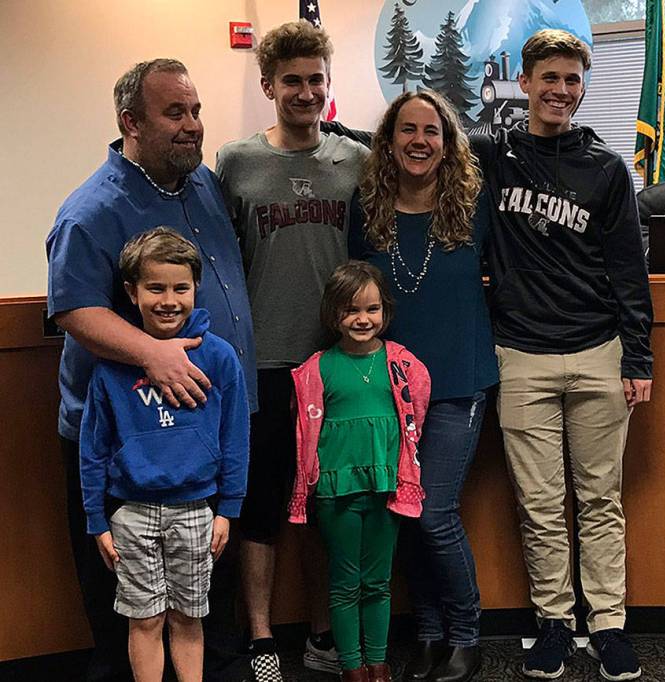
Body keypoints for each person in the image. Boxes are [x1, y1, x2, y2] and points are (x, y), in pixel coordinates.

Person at [46, 58, 257, 682]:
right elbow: (72, 308)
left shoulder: (202, 184)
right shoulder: (91, 210)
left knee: (204, 594)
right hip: (126, 443)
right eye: (175, 113)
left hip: (201, 434)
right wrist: (150, 352)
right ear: (130, 122)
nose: (192, 125)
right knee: (129, 610)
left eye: (195, 111)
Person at [472, 29, 654, 681]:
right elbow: (421, 137)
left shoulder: (606, 168)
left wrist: (639, 358)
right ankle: (554, 621)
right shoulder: (493, 156)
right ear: (524, 83)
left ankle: (607, 624)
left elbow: (629, 269)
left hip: (599, 350)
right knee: (540, 503)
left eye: (572, 79)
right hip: (521, 355)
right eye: (549, 77)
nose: (560, 90)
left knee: (601, 499)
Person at [215, 20, 367, 679]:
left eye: (316, 80)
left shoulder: (355, 160)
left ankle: (323, 633)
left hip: (336, 363)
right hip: (263, 364)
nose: (306, 93)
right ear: (268, 86)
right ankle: (261, 637)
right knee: (263, 506)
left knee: (329, 505)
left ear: (328, 84)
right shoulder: (236, 162)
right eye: (292, 82)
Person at [348, 89, 497, 682]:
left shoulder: (474, 203)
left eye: (431, 130)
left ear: (447, 141)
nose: (419, 140)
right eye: (407, 130)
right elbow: (353, 293)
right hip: (390, 388)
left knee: (434, 513)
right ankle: (430, 634)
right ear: (389, 141)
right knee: (404, 513)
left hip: (460, 382)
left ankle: (466, 635)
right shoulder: (367, 208)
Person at [79, 228, 249, 682]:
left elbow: (236, 438)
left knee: (189, 618)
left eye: (180, 288)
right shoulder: (112, 365)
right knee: (145, 620)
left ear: (196, 288)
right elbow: (93, 448)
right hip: (132, 513)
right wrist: (96, 520)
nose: (169, 301)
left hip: (196, 509)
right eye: (155, 288)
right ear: (132, 292)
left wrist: (228, 510)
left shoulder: (219, 358)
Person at [288, 261, 430, 682]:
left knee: (378, 581)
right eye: (351, 310)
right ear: (333, 314)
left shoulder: (401, 364)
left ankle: (378, 664)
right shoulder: (317, 368)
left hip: (386, 484)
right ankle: (351, 666)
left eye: (371, 309)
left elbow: (416, 412)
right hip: (335, 488)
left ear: (385, 310)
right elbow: (303, 429)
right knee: (345, 581)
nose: (362, 319)